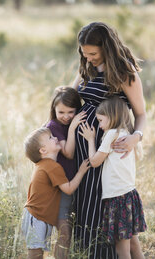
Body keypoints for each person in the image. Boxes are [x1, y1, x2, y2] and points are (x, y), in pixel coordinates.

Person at [71, 21, 147, 258]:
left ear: (106, 47)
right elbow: (70, 96)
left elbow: (141, 113)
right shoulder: (87, 68)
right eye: (85, 53)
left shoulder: (125, 73)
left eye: (93, 53)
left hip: (107, 152)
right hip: (84, 150)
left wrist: (137, 136)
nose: (89, 58)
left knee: (107, 208)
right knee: (86, 205)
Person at [79, 96, 147, 259]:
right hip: (129, 195)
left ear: (112, 116)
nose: (99, 125)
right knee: (133, 244)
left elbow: (94, 161)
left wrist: (89, 139)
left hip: (117, 198)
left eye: (101, 120)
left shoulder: (112, 134)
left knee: (121, 250)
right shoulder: (126, 134)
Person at [22, 127, 90, 259]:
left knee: (38, 253)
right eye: (51, 138)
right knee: (35, 254)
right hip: (37, 217)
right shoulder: (52, 166)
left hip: (39, 216)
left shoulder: (44, 164)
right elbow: (69, 189)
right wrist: (81, 171)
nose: (56, 138)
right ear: (43, 150)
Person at [45, 86, 86, 258]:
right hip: (61, 187)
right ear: (54, 109)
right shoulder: (54, 125)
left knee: (69, 229)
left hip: (71, 183)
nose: (66, 116)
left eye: (71, 111)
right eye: (61, 111)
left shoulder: (66, 121)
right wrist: (72, 127)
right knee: (64, 233)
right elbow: (68, 153)